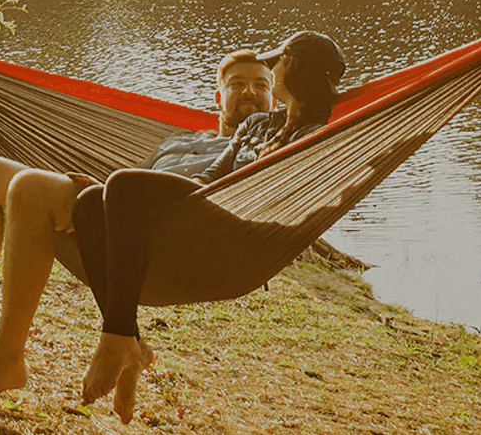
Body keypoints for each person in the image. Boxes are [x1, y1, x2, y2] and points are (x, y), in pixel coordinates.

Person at [0, 50, 277, 402]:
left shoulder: (263, 145)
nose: (249, 92)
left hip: (176, 243)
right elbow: (134, 183)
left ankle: (7, 358)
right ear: (217, 97)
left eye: (261, 85)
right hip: (115, 218)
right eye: (237, 84)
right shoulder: (177, 141)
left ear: (275, 100)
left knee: (29, 188)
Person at [71, 31, 347, 422]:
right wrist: (177, 195)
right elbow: (218, 171)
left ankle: (115, 340)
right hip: (210, 203)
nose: (272, 72)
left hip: (238, 228)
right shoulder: (258, 123)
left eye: (278, 64)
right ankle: (127, 338)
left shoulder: (315, 135)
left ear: (294, 72)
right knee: (87, 204)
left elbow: (318, 182)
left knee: (122, 184)